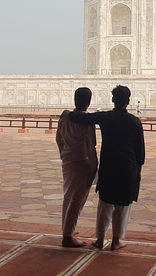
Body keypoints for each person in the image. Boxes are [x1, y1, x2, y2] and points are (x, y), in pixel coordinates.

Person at [69, 85, 145, 251]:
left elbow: (81, 118)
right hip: (128, 168)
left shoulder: (106, 117)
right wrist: (138, 172)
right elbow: (140, 150)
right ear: (128, 101)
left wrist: (69, 113)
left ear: (112, 100)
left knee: (105, 204)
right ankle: (116, 241)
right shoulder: (134, 121)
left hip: (109, 166)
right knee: (122, 206)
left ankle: (100, 239)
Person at [55, 87, 98, 248]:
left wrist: (63, 155)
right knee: (77, 200)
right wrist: (94, 168)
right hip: (81, 163)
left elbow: (58, 139)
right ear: (88, 102)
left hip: (67, 161)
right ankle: (67, 237)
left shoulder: (65, 117)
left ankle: (67, 229)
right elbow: (90, 146)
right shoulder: (86, 120)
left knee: (68, 197)